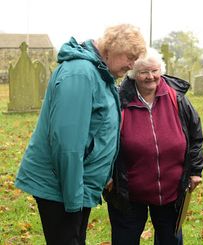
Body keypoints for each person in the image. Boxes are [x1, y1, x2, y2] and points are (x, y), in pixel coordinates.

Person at [15, 23, 146, 245]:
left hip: (75, 184)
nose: (132, 65)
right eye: (129, 57)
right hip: (61, 187)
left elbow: (97, 132)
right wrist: (74, 201)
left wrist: (104, 176)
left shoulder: (99, 74)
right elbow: (68, 145)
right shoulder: (81, 74)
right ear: (111, 49)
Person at [103, 47, 203, 245]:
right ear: (132, 73)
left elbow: (195, 136)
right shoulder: (118, 101)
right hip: (128, 192)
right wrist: (106, 174)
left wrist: (195, 170)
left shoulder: (177, 98)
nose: (151, 76)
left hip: (171, 190)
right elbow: (104, 141)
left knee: (170, 240)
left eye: (155, 70)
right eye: (143, 72)